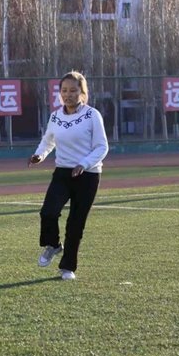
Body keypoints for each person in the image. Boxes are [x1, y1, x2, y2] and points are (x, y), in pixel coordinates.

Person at [28, 71, 109, 280]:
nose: (68, 94)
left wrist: (84, 164)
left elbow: (102, 147)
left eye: (73, 90)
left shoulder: (92, 115)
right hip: (63, 172)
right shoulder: (55, 116)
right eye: (64, 90)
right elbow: (48, 141)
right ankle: (53, 245)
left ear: (82, 92)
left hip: (88, 175)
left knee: (75, 224)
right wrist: (39, 155)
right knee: (48, 212)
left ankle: (67, 267)